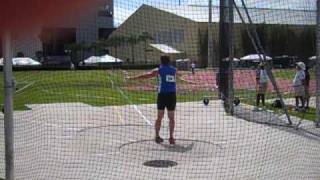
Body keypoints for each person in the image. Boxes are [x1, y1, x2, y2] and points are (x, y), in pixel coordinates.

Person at [127, 56, 177, 145]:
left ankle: (157, 136)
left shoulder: (159, 69)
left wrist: (132, 78)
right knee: (171, 118)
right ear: (169, 62)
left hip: (162, 96)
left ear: (161, 61)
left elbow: (146, 76)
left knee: (159, 117)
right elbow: (179, 76)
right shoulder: (174, 70)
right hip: (172, 96)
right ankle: (171, 137)